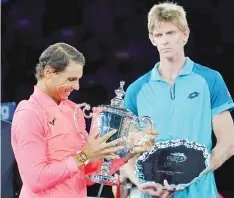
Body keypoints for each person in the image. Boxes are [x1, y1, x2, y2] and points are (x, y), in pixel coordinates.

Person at [11, 43, 158, 198]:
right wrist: (85, 155)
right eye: (71, 79)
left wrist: (130, 151)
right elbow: (36, 180)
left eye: (78, 79)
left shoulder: (74, 111)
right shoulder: (29, 113)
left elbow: (88, 175)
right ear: (49, 72)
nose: (77, 87)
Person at [122, 2, 234, 198]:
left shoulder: (210, 80)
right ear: (151, 39)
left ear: (185, 34)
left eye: (171, 33)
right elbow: (125, 155)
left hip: (201, 193)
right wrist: (141, 183)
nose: (165, 40)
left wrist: (194, 172)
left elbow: (227, 144)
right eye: (159, 35)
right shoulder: (136, 90)